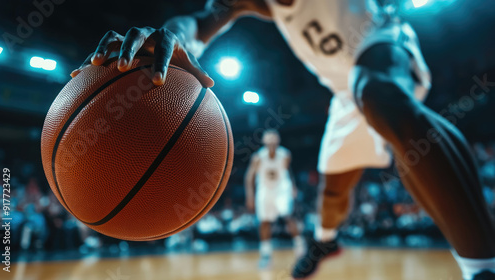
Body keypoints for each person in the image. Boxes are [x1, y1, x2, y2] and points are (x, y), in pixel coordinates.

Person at [71, 0, 495, 279]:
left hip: (384, 50)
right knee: (333, 188)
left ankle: (482, 264)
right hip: (348, 90)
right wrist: (169, 34)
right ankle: (325, 242)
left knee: (384, 99)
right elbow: (199, 21)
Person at [244, 129, 303, 268]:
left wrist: (293, 186)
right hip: (264, 189)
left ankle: (300, 246)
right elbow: (249, 177)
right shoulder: (258, 157)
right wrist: (250, 196)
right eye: (268, 139)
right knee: (264, 222)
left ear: (278, 140)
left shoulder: (285, 154)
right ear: (264, 141)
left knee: (287, 215)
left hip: (281, 188)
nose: (271, 141)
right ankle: (266, 254)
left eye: (273, 138)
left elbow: (288, 170)